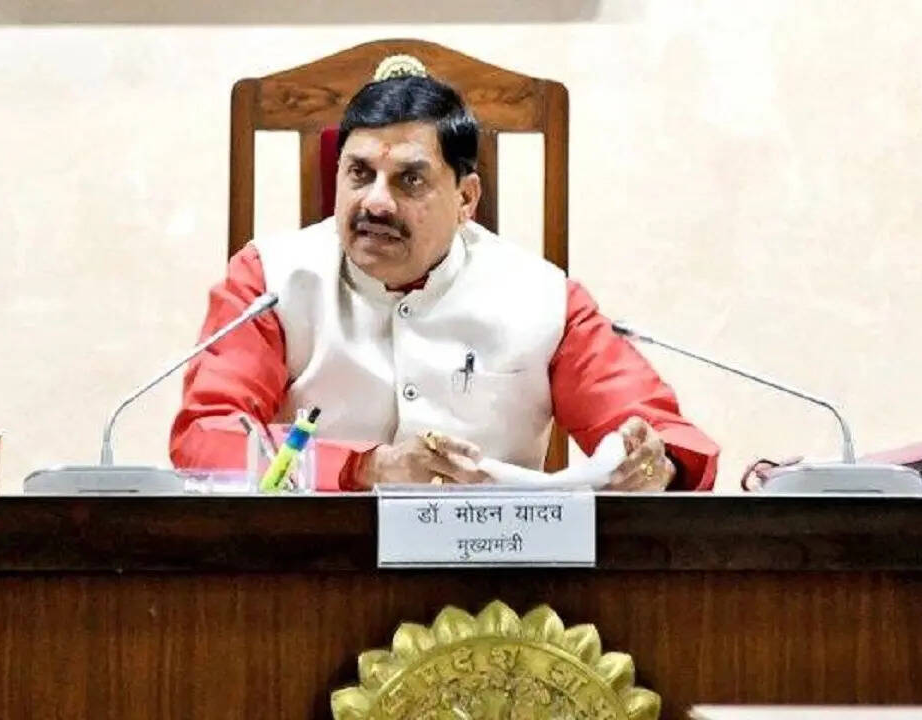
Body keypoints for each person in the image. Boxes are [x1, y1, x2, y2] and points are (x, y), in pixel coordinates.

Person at [170, 74, 719, 491]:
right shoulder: (268, 281)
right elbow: (207, 439)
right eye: (359, 173)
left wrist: (655, 465)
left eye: (410, 180)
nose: (375, 202)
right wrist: (365, 468)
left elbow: (659, 436)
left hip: (495, 580)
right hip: (311, 573)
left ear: (466, 199)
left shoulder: (543, 298)